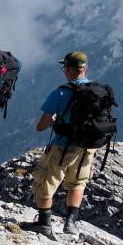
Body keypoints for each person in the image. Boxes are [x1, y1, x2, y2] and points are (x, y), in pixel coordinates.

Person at [25, 51, 97, 235]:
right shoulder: (97, 91)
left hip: (63, 146)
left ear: (69, 69)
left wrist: (52, 122)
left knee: (44, 181)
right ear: (85, 68)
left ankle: (44, 223)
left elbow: (40, 125)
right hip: (88, 147)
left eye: (64, 67)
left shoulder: (62, 92)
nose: (64, 71)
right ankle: (70, 223)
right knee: (78, 183)